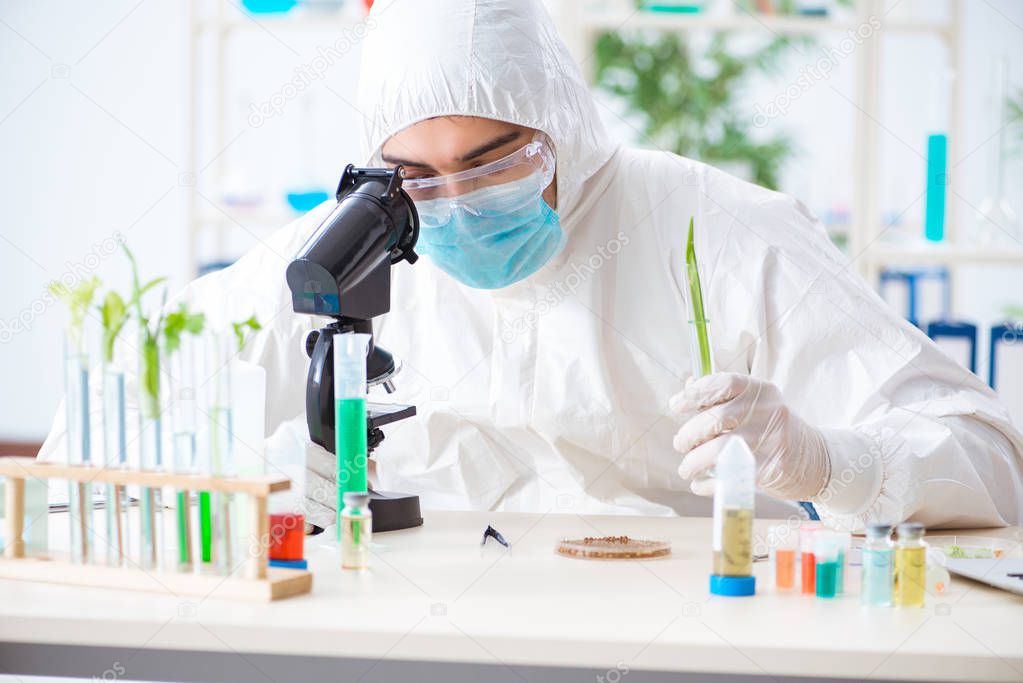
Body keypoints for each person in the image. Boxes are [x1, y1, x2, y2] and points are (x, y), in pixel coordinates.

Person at [41, 0, 1023, 531]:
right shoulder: (360, 241)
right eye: (416, 177)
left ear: (565, 129)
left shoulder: (715, 227)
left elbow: (989, 460)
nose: (456, 205)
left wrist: (826, 459)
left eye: (493, 164)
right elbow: (144, 382)